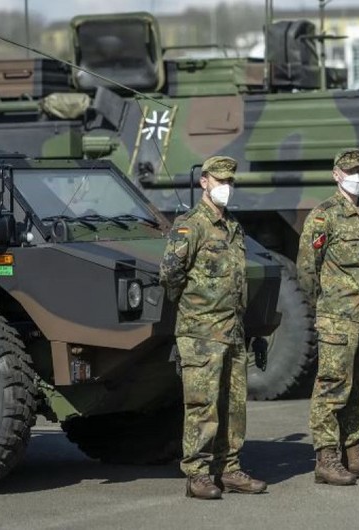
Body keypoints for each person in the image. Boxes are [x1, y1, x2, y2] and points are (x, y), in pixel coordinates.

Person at [159, 155, 267, 500]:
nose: (226, 187)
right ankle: (198, 474)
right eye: (220, 180)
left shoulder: (233, 226)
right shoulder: (190, 225)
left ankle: (230, 469)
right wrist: (195, 310)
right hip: (201, 332)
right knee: (202, 405)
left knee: (234, 405)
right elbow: (170, 275)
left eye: (231, 181)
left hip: (232, 330)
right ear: (203, 182)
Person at [296, 148, 359, 486]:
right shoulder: (324, 216)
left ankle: (355, 455)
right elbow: (307, 269)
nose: (356, 176)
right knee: (331, 388)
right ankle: (326, 460)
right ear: (336, 174)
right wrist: (326, 307)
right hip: (338, 317)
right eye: (349, 171)